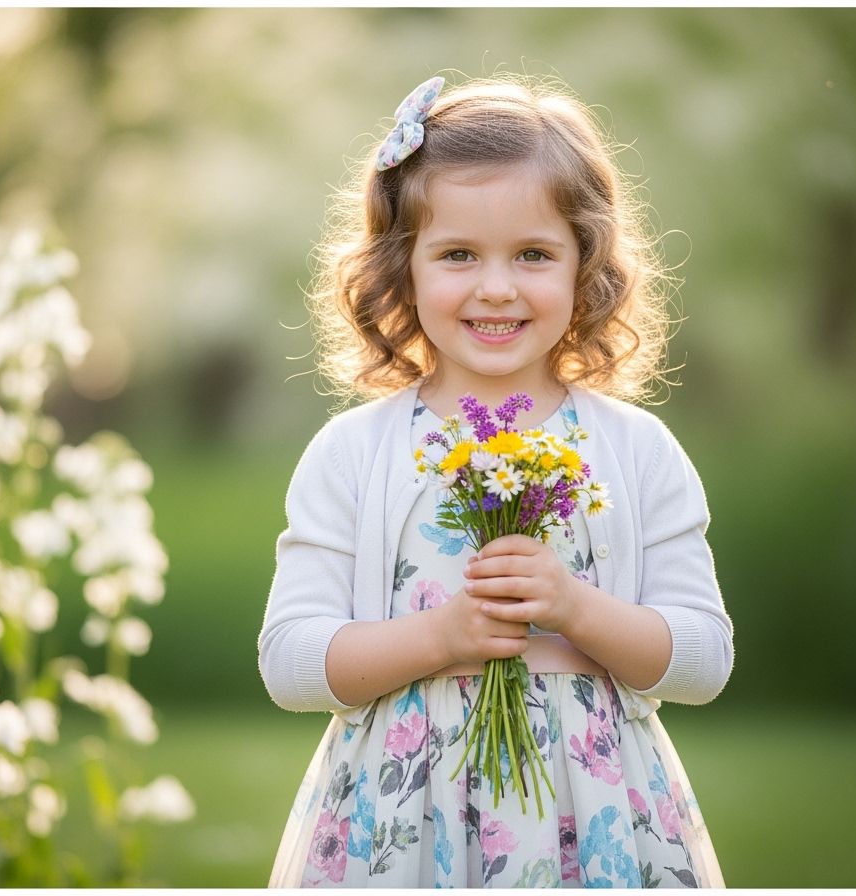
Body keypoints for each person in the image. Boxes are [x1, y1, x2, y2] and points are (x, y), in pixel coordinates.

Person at [258, 72, 732, 888]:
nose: (497, 286)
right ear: (401, 267)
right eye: (458, 254)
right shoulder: (355, 453)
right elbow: (291, 662)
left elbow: (703, 660)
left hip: (597, 813)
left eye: (534, 254)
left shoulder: (635, 449)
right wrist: (439, 639)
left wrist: (576, 608)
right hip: (401, 819)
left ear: (587, 264)